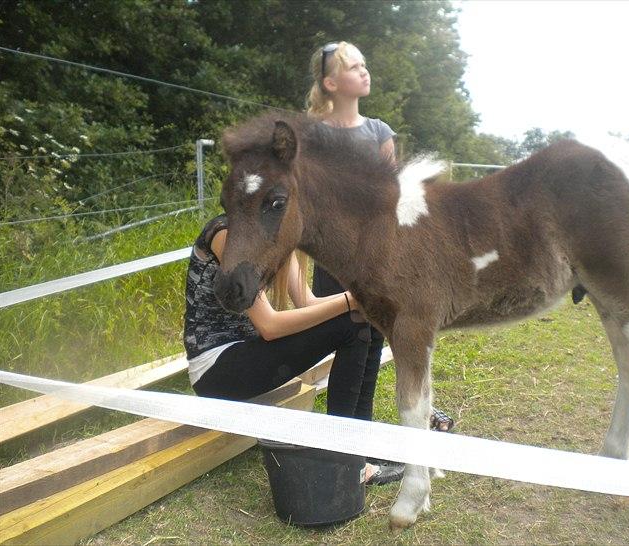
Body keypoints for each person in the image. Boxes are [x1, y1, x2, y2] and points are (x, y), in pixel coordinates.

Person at [305, 41, 454, 484]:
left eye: (365, 65)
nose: (365, 72)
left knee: (371, 347)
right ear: (332, 83)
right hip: (335, 259)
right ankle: (342, 454)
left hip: (378, 260)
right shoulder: (315, 137)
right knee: (349, 345)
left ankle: (360, 451)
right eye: (355, 67)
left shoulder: (379, 132)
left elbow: (392, 199)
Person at [183, 215, 382, 480]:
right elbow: (269, 326)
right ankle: (343, 460)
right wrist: (351, 300)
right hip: (215, 369)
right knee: (352, 322)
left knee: (367, 316)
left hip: (247, 353)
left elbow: (309, 303)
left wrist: (368, 296)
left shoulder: (278, 234)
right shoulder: (229, 235)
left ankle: (360, 444)